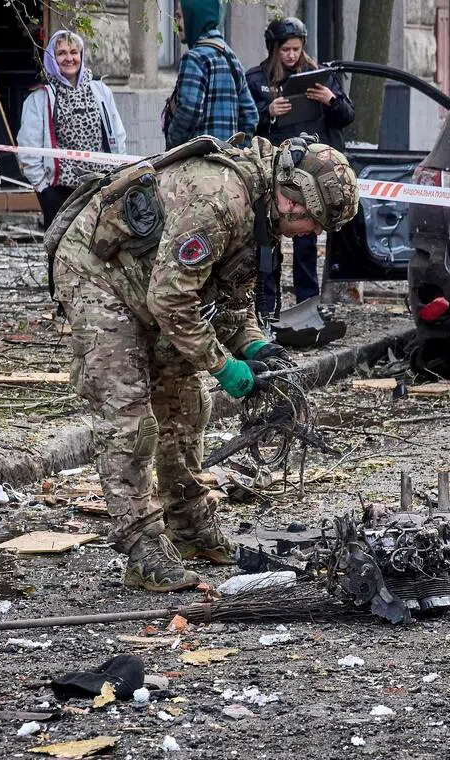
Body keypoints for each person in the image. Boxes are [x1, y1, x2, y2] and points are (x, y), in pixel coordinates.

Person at [49, 135, 359, 592]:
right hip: (98, 276)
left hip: (153, 284)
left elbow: (227, 299)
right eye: (314, 223)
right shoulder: (220, 202)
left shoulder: (260, 215)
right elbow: (172, 299)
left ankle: (190, 524)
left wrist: (255, 347)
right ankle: (142, 548)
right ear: (291, 200)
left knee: (188, 402)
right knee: (129, 417)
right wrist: (223, 366)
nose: (312, 234)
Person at [246, 17, 355, 315]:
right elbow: (244, 122)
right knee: (268, 238)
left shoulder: (318, 76)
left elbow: (346, 116)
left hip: (311, 174)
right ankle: (266, 306)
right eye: (285, 50)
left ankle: (307, 306)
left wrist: (330, 99)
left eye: (296, 49)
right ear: (274, 49)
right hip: (273, 173)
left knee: (307, 239)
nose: (291, 55)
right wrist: (267, 112)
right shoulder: (257, 79)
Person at [17, 30, 126, 232]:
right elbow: (28, 147)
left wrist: (118, 172)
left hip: (98, 186)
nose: (69, 58)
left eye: (74, 52)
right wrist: (42, 188)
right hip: (59, 192)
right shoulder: (41, 98)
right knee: (61, 251)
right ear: (52, 58)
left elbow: (116, 135)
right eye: (62, 53)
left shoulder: (100, 91)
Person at [163, 0, 258, 149]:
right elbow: (250, 115)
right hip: (227, 166)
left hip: (198, 164)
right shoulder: (231, 57)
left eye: (179, 17)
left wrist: (172, 146)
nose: (177, 24)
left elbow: (189, 111)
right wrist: (236, 151)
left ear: (194, 16)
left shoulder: (194, 58)